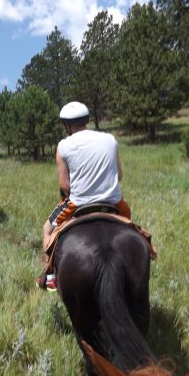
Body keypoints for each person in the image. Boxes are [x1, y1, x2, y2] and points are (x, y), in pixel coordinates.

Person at [38, 102, 131, 291]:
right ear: (86, 120)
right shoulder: (110, 139)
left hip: (77, 203)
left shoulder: (63, 146)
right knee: (131, 226)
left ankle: (50, 276)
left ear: (67, 125)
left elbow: (65, 186)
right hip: (114, 202)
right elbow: (119, 176)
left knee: (47, 229)